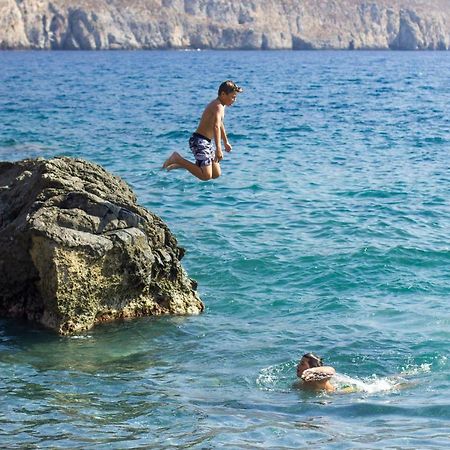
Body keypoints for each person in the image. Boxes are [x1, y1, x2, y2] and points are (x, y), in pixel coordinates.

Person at [162, 80, 243, 181]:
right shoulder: (217, 106)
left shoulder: (222, 106)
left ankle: (180, 164)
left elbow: (220, 123)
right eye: (232, 97)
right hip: (199, 141)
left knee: (216, 173)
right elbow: (216, 126)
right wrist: (219, 148)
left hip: (206, 142)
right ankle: (177, 159)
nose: (234, 100)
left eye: (235, 97)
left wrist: (226, 142)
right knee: (206, 176)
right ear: (223, 94)